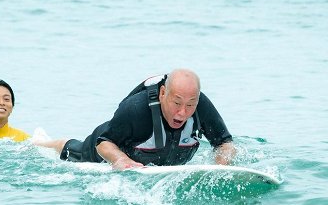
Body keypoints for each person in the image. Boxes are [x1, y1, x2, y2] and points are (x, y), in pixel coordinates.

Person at [37, 69, 236, 170]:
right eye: (177, 103)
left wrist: (219, 167)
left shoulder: (200, 105)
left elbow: (225, 143)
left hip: (157, 158)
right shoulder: (135, 110)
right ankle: (45, 143)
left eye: (190, 104)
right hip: (105, 143)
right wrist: (120, 159)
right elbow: (103, 144)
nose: (183, 112)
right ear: (163, 93)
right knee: (74, 149)